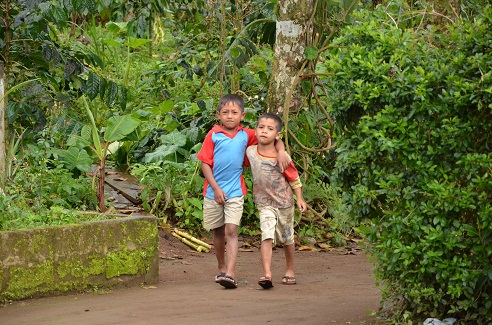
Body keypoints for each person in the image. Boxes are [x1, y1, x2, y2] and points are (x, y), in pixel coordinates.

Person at [196, 94, 289, 289]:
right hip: (213, 191)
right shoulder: (213, 135)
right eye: (225, 112)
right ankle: (221, 267)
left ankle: (230, 274)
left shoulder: (246, 134)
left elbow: (272, 138)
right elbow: (205, 163)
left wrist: (280, 151)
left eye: (234, 113)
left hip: (235, 190)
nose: (230, 116)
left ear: (242, 115)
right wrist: (215, 187)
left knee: (231, 230)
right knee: (218, 231)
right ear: (218, 115)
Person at [245, 112, 307, 289]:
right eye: (261, 127)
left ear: (277, 135)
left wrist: (300, 198)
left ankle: (290, 270)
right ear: (256, 130)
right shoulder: (250, 151)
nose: (264, 131)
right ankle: (267, 274)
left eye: (270, 129)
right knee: (267, 235)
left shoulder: (282, 157)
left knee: (287, 238)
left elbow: (294, 178)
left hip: (284, 203)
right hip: (264, 203)